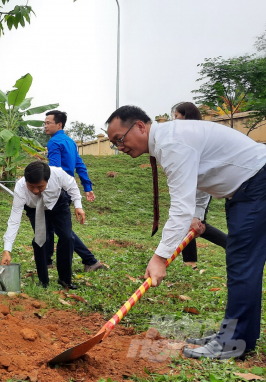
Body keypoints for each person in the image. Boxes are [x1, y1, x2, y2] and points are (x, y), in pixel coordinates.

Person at [106, 105, 266, 359]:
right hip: (248, 187)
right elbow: (200, 176)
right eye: (115, 143)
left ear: (139, 126)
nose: (120, 147)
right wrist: (198, 216)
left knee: (242, 264)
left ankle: (234, 342)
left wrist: (160, 258)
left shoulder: (172, 143)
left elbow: (180, 206)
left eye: (119, 139)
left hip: (256, 184)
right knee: (241, 262)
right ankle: (234, 335)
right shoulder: (169, 139)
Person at [0, 161, 86, 289]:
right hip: (34, 209)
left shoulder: (57, 174)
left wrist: (78, 205)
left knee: (67, 238)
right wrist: (7, 249)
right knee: (40, 240)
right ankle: (43, 281)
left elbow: (72, 185)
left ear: (48, 179)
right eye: (31, 187)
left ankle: (65, 280)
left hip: (58, 205)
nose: (35, 191)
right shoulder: (20, 188)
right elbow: (14, 219)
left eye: (40, 187)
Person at [44, 110, 104, 272]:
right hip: (68, 190)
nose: (45, 126)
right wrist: (87, 187)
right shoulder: (70, 142)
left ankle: (90, 260)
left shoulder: (54, 143)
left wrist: (47, 190)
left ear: (59, 124)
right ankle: (47, 261)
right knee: (49, 224)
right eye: (45, 123)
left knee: (60, 229)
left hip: (58, 191)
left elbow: (55, 169)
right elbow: (80, 165)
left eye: (48, 123)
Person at [171, 102, 227, 269]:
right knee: (190, 223)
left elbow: (202, 177)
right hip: (191, 187)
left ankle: (232, 245)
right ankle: (191, 263)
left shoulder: (197, 137)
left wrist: (196, 213)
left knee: (193, 222)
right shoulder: (185, 137)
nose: (174, 121)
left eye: (177, 117)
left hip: (202, 187)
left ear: (186, 116)